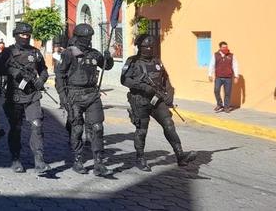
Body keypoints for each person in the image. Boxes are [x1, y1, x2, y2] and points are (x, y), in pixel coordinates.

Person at [122, 35, 197, 171]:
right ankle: (140, 158)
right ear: (139, 47)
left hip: (157, 100)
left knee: (169, 125)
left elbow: (165, 79)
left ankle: (180, 156)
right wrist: (142, 87)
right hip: (141, 100)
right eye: (146, 47)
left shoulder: (157, 61)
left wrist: (170, 93)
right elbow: (124, 80)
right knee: (142, 130)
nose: (149, 49)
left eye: (151, 47)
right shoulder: (132, 62)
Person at [55, 24, 114, 176]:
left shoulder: (94, 54)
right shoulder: (69, 53)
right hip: (74, 94)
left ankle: (99, 163)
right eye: (84, 38)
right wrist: (63, 97)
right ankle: (78, 160)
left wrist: (108, 58)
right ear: (77, 37)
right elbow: (60, 75)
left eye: (89, 38)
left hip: (92, 94)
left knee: (97, 127)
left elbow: (106, 66)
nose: (87, 40)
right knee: (77, 129)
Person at [0, 22, 51, 174]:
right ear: (16, 35)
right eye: (22, 35)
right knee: (16, 129)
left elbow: (44, 70)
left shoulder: (35, 52)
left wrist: (41, 80)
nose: (25, 37)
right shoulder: (8, 52)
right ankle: (15, 159)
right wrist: (14, 72)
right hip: (14, 95)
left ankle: (39, 160)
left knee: (37, 125)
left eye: (28, 35)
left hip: (32, 94)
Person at [207, 41, 240, 113]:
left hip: (228, 77)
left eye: (226, 47)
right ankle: (219, 104)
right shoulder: (215, 55)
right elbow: (211, 65)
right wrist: (210, 74)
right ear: (220, 48)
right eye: (223, 47)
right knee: (216, 90)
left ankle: (226, 107)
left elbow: (235, 66)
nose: (225, 48)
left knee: (227, 93)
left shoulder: (231, 55)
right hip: (218, 77)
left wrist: (236, 76)